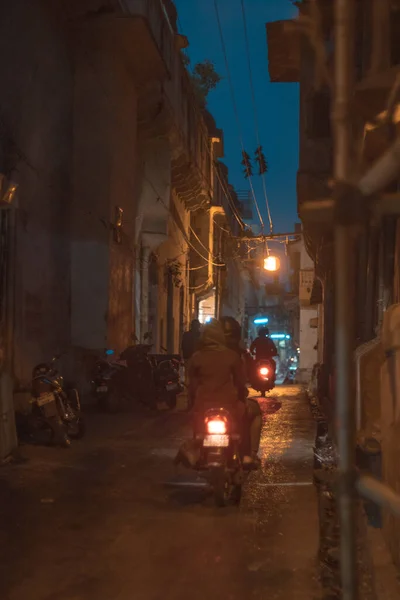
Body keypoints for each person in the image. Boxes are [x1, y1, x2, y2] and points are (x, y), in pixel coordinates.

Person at [189, 319, 260, 465]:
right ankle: (249, 454)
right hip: (229, 405)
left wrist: (192, 403)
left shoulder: (196, 357)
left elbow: (192, 386)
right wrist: (242, 397)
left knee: (197, 423)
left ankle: (197, 450)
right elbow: (240, 384)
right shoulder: (232, 356)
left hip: (203, 406)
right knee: (255, 412)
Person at [181, 319, 201, 387]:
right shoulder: (200, 335)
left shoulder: (187, 335)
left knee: (190, 373)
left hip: (190, 357)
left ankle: (189, 386)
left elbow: (183, 346)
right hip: (192, 357)